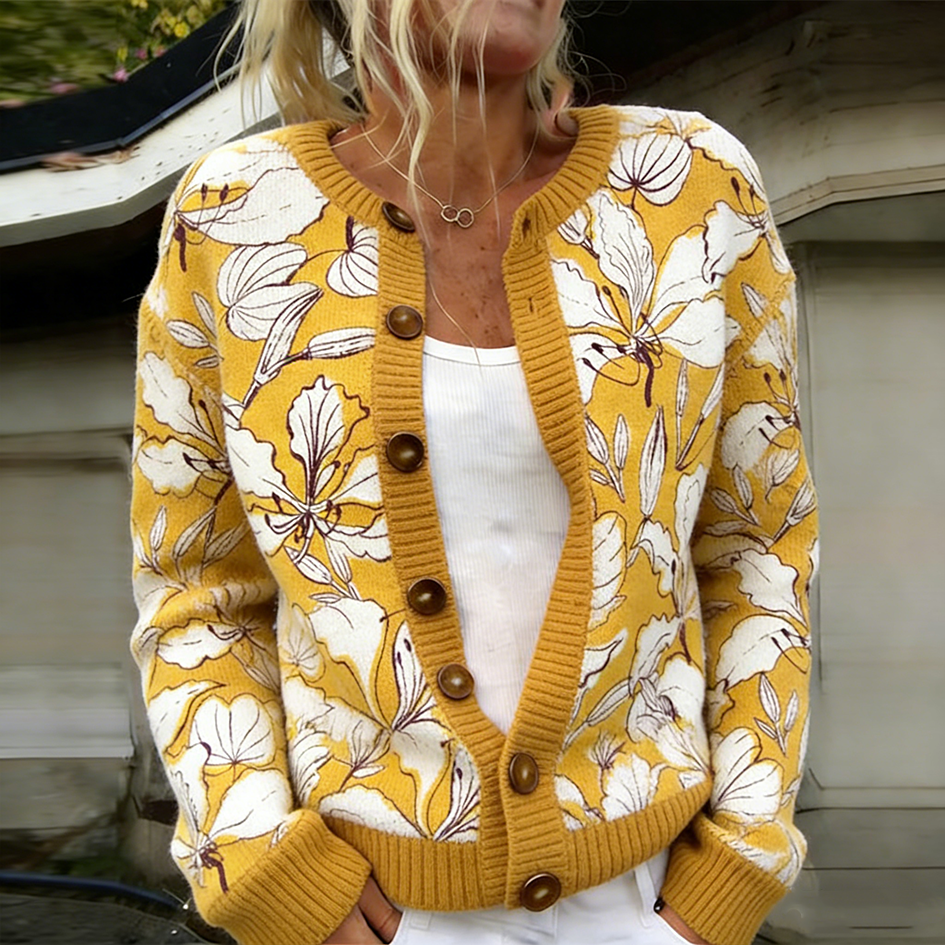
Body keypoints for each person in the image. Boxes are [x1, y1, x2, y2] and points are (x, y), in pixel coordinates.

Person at [130, 0, 819, 943]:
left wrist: (730, 873)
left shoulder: (688, 186)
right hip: (367, 904)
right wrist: (270, 877)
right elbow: (198, 592)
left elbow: (758, 547)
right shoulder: (233, 216)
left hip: (649, 897)